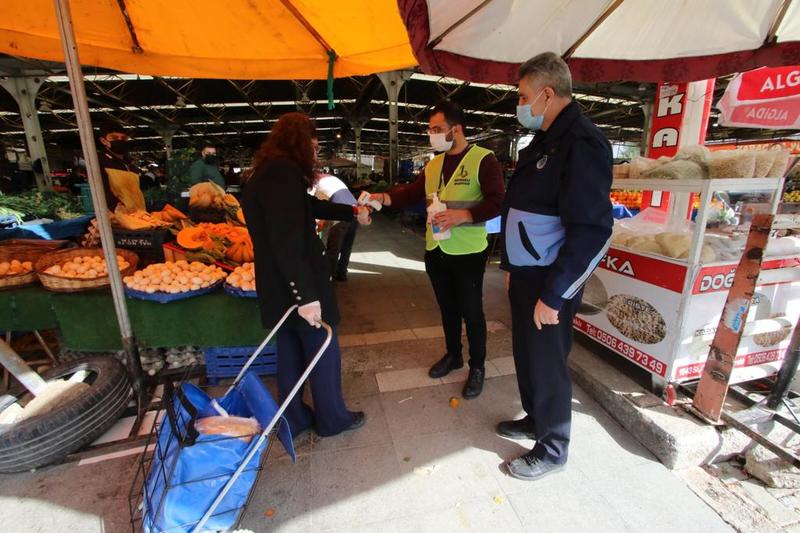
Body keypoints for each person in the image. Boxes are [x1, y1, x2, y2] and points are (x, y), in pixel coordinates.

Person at [497, 52, 613, 481]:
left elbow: (592, 231)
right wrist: (514, 263)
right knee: (527, 356)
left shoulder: (582, 143)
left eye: (524, 96)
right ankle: (535, 418)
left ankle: (552, 448)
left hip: (550, 280)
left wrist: (555, 293)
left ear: (547, 94)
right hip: (527, 273)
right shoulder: (545, 140)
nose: (520, 104)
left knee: (547, 362)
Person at [242, 111, 373, 438]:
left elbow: (307, 208)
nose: (314, 155)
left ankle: (295, 418)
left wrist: (352, 210)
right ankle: (332, 419)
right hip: (297, 284)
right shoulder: (283, 174)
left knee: (290, 352)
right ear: (299, 144)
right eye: (312, 148)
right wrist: (307, 297)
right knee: (323, 348)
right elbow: (288, 240)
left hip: (277, 284)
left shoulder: (268, 172)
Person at [369, 100, 504, 399]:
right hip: (437, 249)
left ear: (456, 129)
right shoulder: (433, 164)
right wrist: (381, 197)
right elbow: (411, 194)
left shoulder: (484, 160)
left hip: (468, 252)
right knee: (447, 309)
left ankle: (477, 365)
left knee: (472, 311)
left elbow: (497, 201)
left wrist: (464, 215)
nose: (432, 134)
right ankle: (453, 355)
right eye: (430, 129)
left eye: (437, 129)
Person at [312, 171, 359, 281]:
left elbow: (321, 209)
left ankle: (330, 278)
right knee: (346, 247)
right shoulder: (334, 180)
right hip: (355, 212)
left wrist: (318, 224)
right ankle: (342, 274)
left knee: (333, 248)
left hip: (342, 215)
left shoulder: (318, 184)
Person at [96, 121, 145, 212]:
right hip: (116, 219)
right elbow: (103, 193)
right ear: (103, 141)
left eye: (123, 138)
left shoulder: (131, 165)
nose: (120, 140)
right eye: (114, 138)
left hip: (139, 216)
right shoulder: (99, 162)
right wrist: (119, 210)